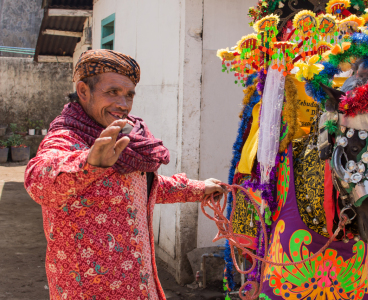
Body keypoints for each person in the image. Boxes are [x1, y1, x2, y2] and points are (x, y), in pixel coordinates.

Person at [24, 49, 224, 300]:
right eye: (112, 92)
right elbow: (38, 181)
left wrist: (199, 188)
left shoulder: (127, 137)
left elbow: (141, 188)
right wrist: (89, 163)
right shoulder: (68, 138)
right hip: (88, 291)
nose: (123, 104)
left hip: (140, 285)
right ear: (84, 91)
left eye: (129, 95)